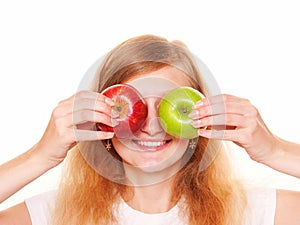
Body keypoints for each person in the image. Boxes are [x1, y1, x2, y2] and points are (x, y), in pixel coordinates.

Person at [0, 34, 300, 225]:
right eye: (135, 106)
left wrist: (275, 151)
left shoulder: (258, 212)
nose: (153, 127)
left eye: (170, 104)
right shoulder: (52, 215)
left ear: (203, 116)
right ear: (99, 116)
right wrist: (39, 157)